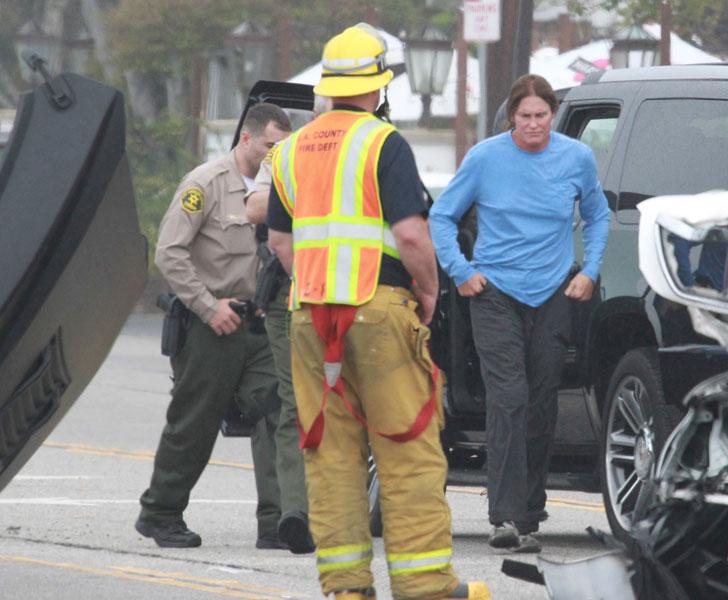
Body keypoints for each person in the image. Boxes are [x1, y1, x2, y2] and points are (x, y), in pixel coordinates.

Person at [267, 23, 489, 600]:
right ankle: (426, 588)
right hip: (380, 309)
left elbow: (279, 244)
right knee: (406, 446)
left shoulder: (288, 151)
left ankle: (345, 588)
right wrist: (430, 291)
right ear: (379, 87)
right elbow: (412, 235)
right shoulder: (382, 143)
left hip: (310, 319)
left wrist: (318, 283)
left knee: (330, 454)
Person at [429, 74, 610, 553]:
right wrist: (461, 271)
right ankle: (504, 518)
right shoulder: (486, 157)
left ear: (553, 115)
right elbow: (441, 216)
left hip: (552, 291)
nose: (533, 124)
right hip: (494, 291)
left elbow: (598, 215)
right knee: (508, 396)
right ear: (512, 116)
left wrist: (589, 269)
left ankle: (529, 513)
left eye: (542, 115)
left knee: (542, 399)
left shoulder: (576, 157)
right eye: (525, 116)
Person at [136, 103, 292, 549]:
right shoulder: (205, 183)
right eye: (269, 146)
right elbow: (170, 252)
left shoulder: (279, 189)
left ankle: (277, 519)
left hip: (257, 320)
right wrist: (206, 307)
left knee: (280, 406)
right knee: (194, 420)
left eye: (282, 148)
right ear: (246, 138)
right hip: (210, 324)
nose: (274, 155)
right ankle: (160, 513)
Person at [242, 97, 332, 555]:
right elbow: (256, 208)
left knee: (346, 406)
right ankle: (294, 512)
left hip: (354, 295)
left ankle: (335, 512)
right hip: (290, 294)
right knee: (294, 400)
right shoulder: (289, 153)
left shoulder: (377, 149)